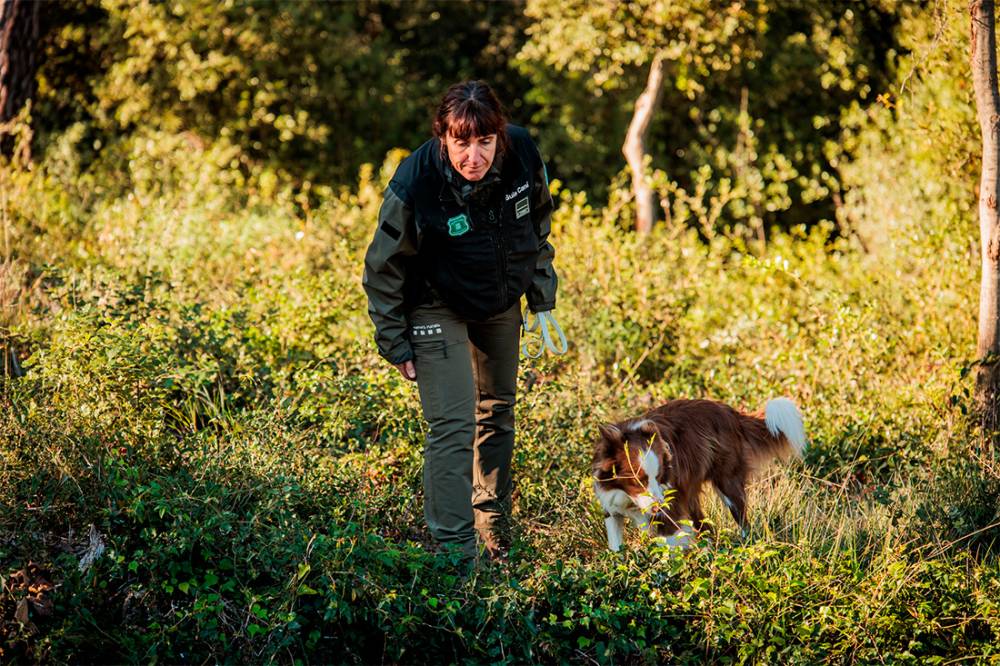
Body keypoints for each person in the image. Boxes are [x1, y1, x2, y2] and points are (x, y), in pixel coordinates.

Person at [362, 80, 559, 562]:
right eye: (461, 143)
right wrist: (395, 341)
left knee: (498, 411)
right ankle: (456, 554)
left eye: (485, 142)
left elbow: (537, 223)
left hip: (497, 298)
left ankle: (493, 528)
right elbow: (382, 267)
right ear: (443, 137)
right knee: (452, 424)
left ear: (500, 137)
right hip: (435, 304)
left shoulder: (523, 153)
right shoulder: (416, 181)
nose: (474, 156)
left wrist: (541, 295)